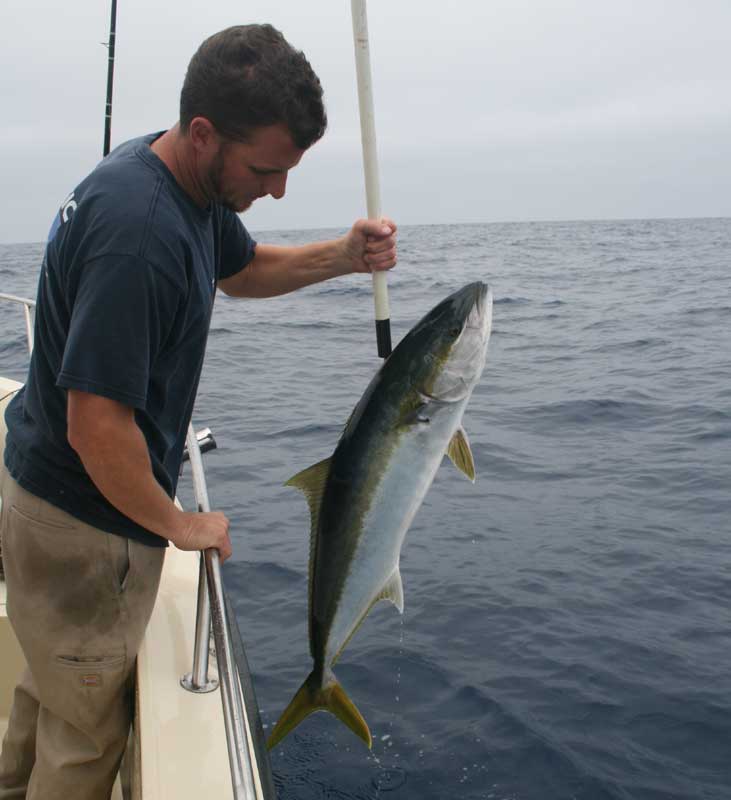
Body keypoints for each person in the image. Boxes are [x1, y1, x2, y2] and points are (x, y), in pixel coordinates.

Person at [0, 23, 397, 799]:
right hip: (82, 522)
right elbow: (97, 427)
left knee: (49, 692)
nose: (276, 190)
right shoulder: (138, 237)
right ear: (206, 132)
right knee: (83, 743)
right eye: (265, 169)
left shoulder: (173, 175)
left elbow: (239, 270)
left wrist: (343, 257)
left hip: (47, 495)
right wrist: (180, 524)